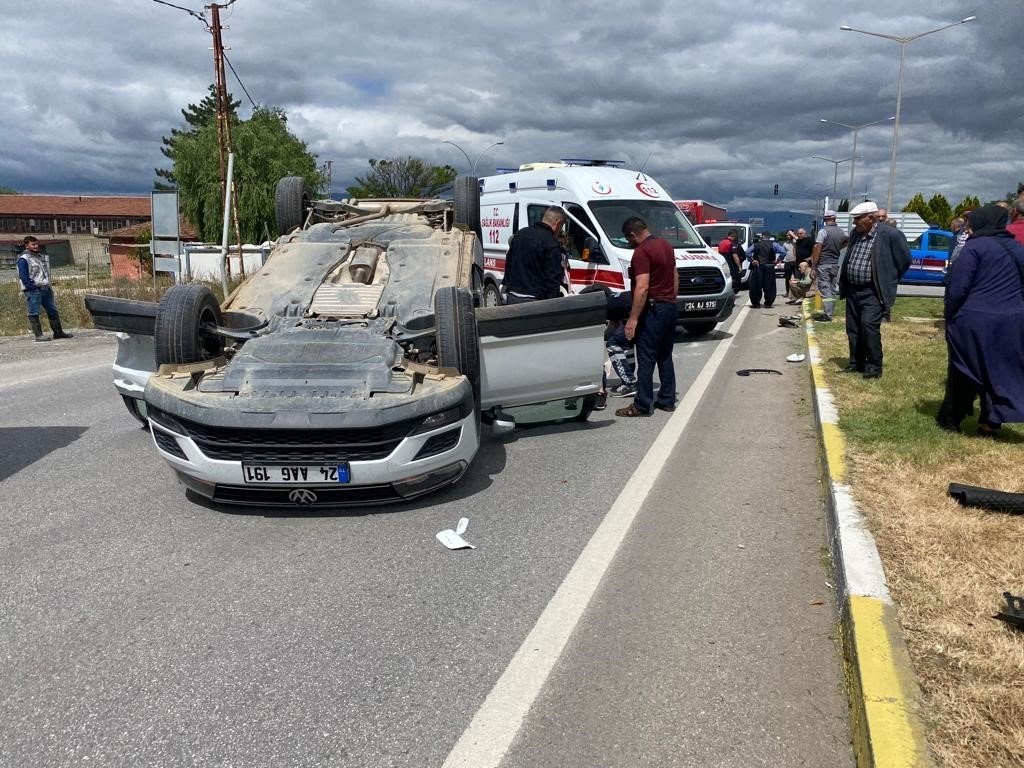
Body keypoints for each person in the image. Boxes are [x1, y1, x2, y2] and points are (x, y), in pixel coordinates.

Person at [935, 204, 1024, 436]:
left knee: (964, 368)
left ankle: (952, 417)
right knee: (999, 369)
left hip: (976, 320)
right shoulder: (1016, 247)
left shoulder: (975, 248)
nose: (969, 229)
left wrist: (950, 314)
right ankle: (991, 421)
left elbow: (958, 288)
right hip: (1013, 320)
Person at [837, 201, 911, 379]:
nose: (854, 223)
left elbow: (905, 260)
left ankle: (874, 367)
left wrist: (889, 279)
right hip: (853, 289)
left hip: (873, 291)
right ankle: (856, 363)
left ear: (871, 218)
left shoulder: (890, 234)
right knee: (853, 328)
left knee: (869, 326)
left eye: (858, 219)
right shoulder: (856, 233)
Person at [615, 217, 678, 417]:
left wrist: (633, 319)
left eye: (628, 239)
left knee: (646, 357)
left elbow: (642, 287)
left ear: (632, 235)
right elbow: (676, 275)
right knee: (665, 356)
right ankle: (667, 400)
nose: (629, 243)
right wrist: (670, 299)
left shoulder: (641, 252)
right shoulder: (665, 245)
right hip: (669, 307)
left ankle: (642, 405)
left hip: (653, 310)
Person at [501, 206, 566, 304]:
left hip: (513, 296)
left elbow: (509, 263)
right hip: (535, 301)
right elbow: (553, 277)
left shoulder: (520, 234)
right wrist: (554, 302)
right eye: (561, 226)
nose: (559, 231)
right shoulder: (551, 243)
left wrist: (508, 288)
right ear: (557, 222)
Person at [17, 236, 73, 342]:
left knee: (52, 310)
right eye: (33, 244)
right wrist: (32, 287)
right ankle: (38, 335)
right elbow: (23, 276)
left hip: (45, 288)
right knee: (34, 312)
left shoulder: (39, 256)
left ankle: (58, 332)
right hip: (33, 290)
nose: (36, 246)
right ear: (27, 245)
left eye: (36, 244)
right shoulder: (23, 259)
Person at [809, 210, 847, 321]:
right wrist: (839, 247)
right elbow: (848, 240)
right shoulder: (841, 231)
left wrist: (813, 266)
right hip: (835, 264)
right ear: (835, 218)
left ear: (825, 219)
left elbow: (817, 249)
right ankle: (830, 312)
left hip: (824, 264)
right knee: (832, 289)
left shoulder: (823, 232)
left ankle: (828, 315)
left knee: (825, 289)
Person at [747, 234, 777, 308]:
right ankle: (768, 303)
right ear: (769, 238)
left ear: (762, 237)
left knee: (756, 285)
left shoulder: (756, 244)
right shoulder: (774, 244)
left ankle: (756, 303)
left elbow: (747, 252)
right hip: (769, 266)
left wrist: (752, 260)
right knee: (770, 286)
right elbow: (783, 252)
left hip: (758, 266)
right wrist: (778, 260)